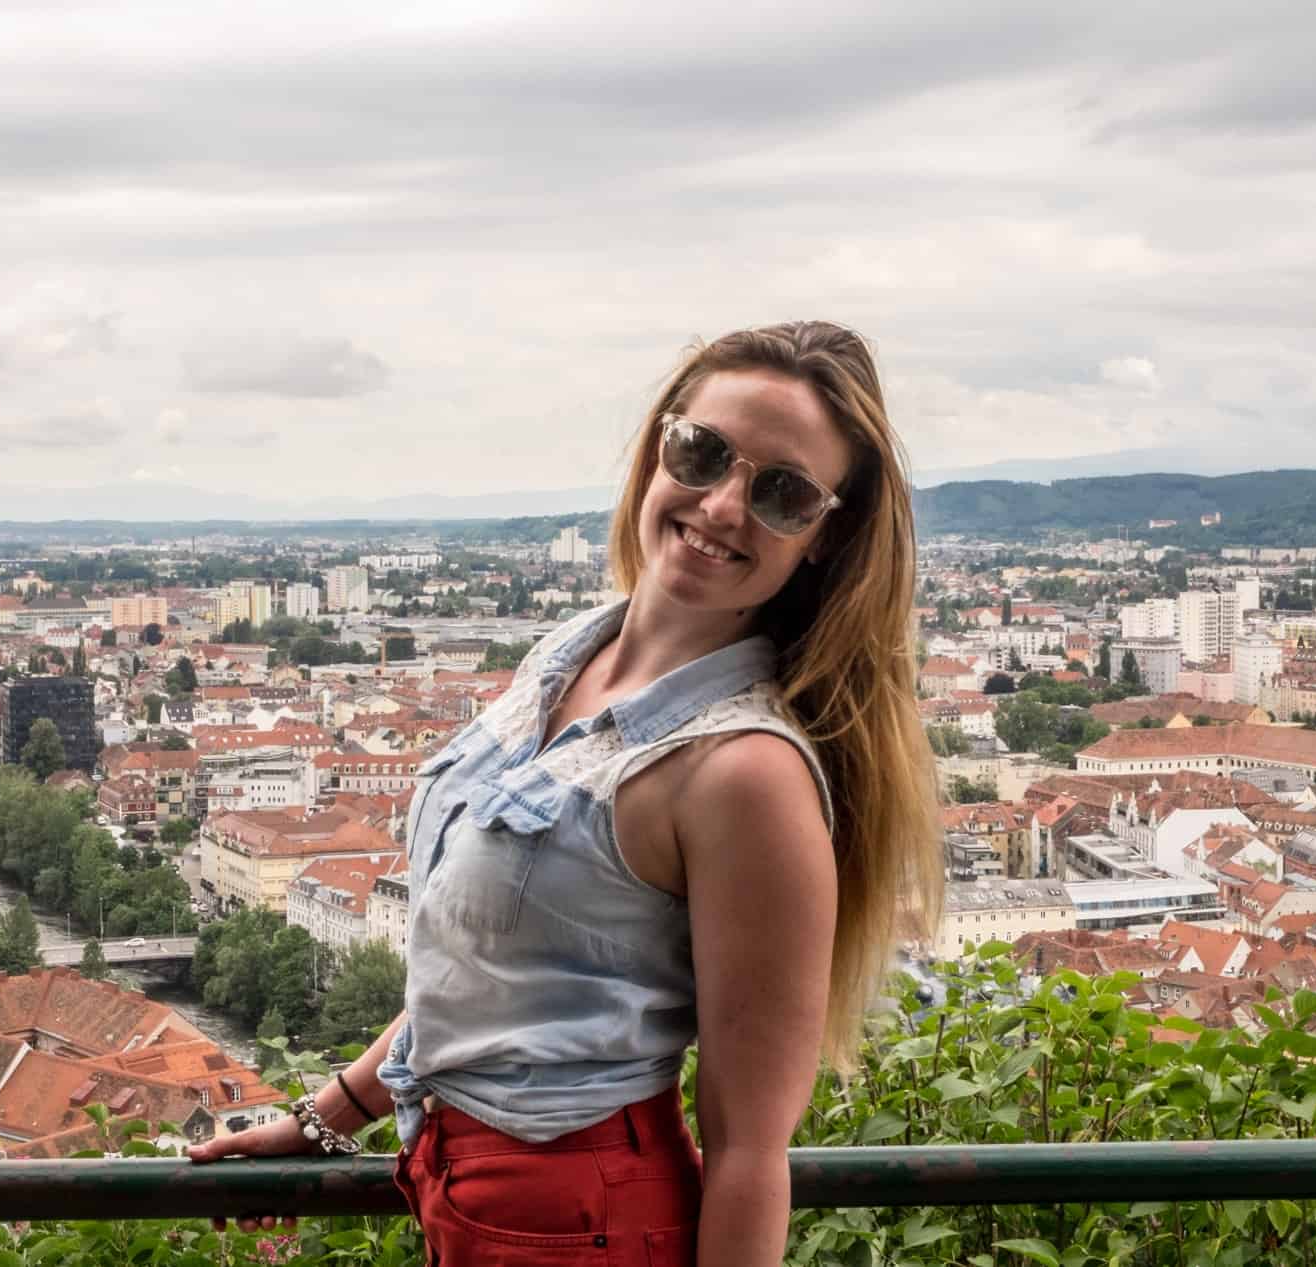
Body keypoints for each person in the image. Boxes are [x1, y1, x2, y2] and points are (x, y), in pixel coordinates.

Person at [189, 320, 943, 1266]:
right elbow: (485, 975)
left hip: (583, 1225)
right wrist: (330, 1117)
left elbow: (751, 1150)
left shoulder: (746, 771)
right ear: (658, 449)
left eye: (782, 491)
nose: (720, 504)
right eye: (702, 452)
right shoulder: (566, 657)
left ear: (825, 537)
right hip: (463, 1194)